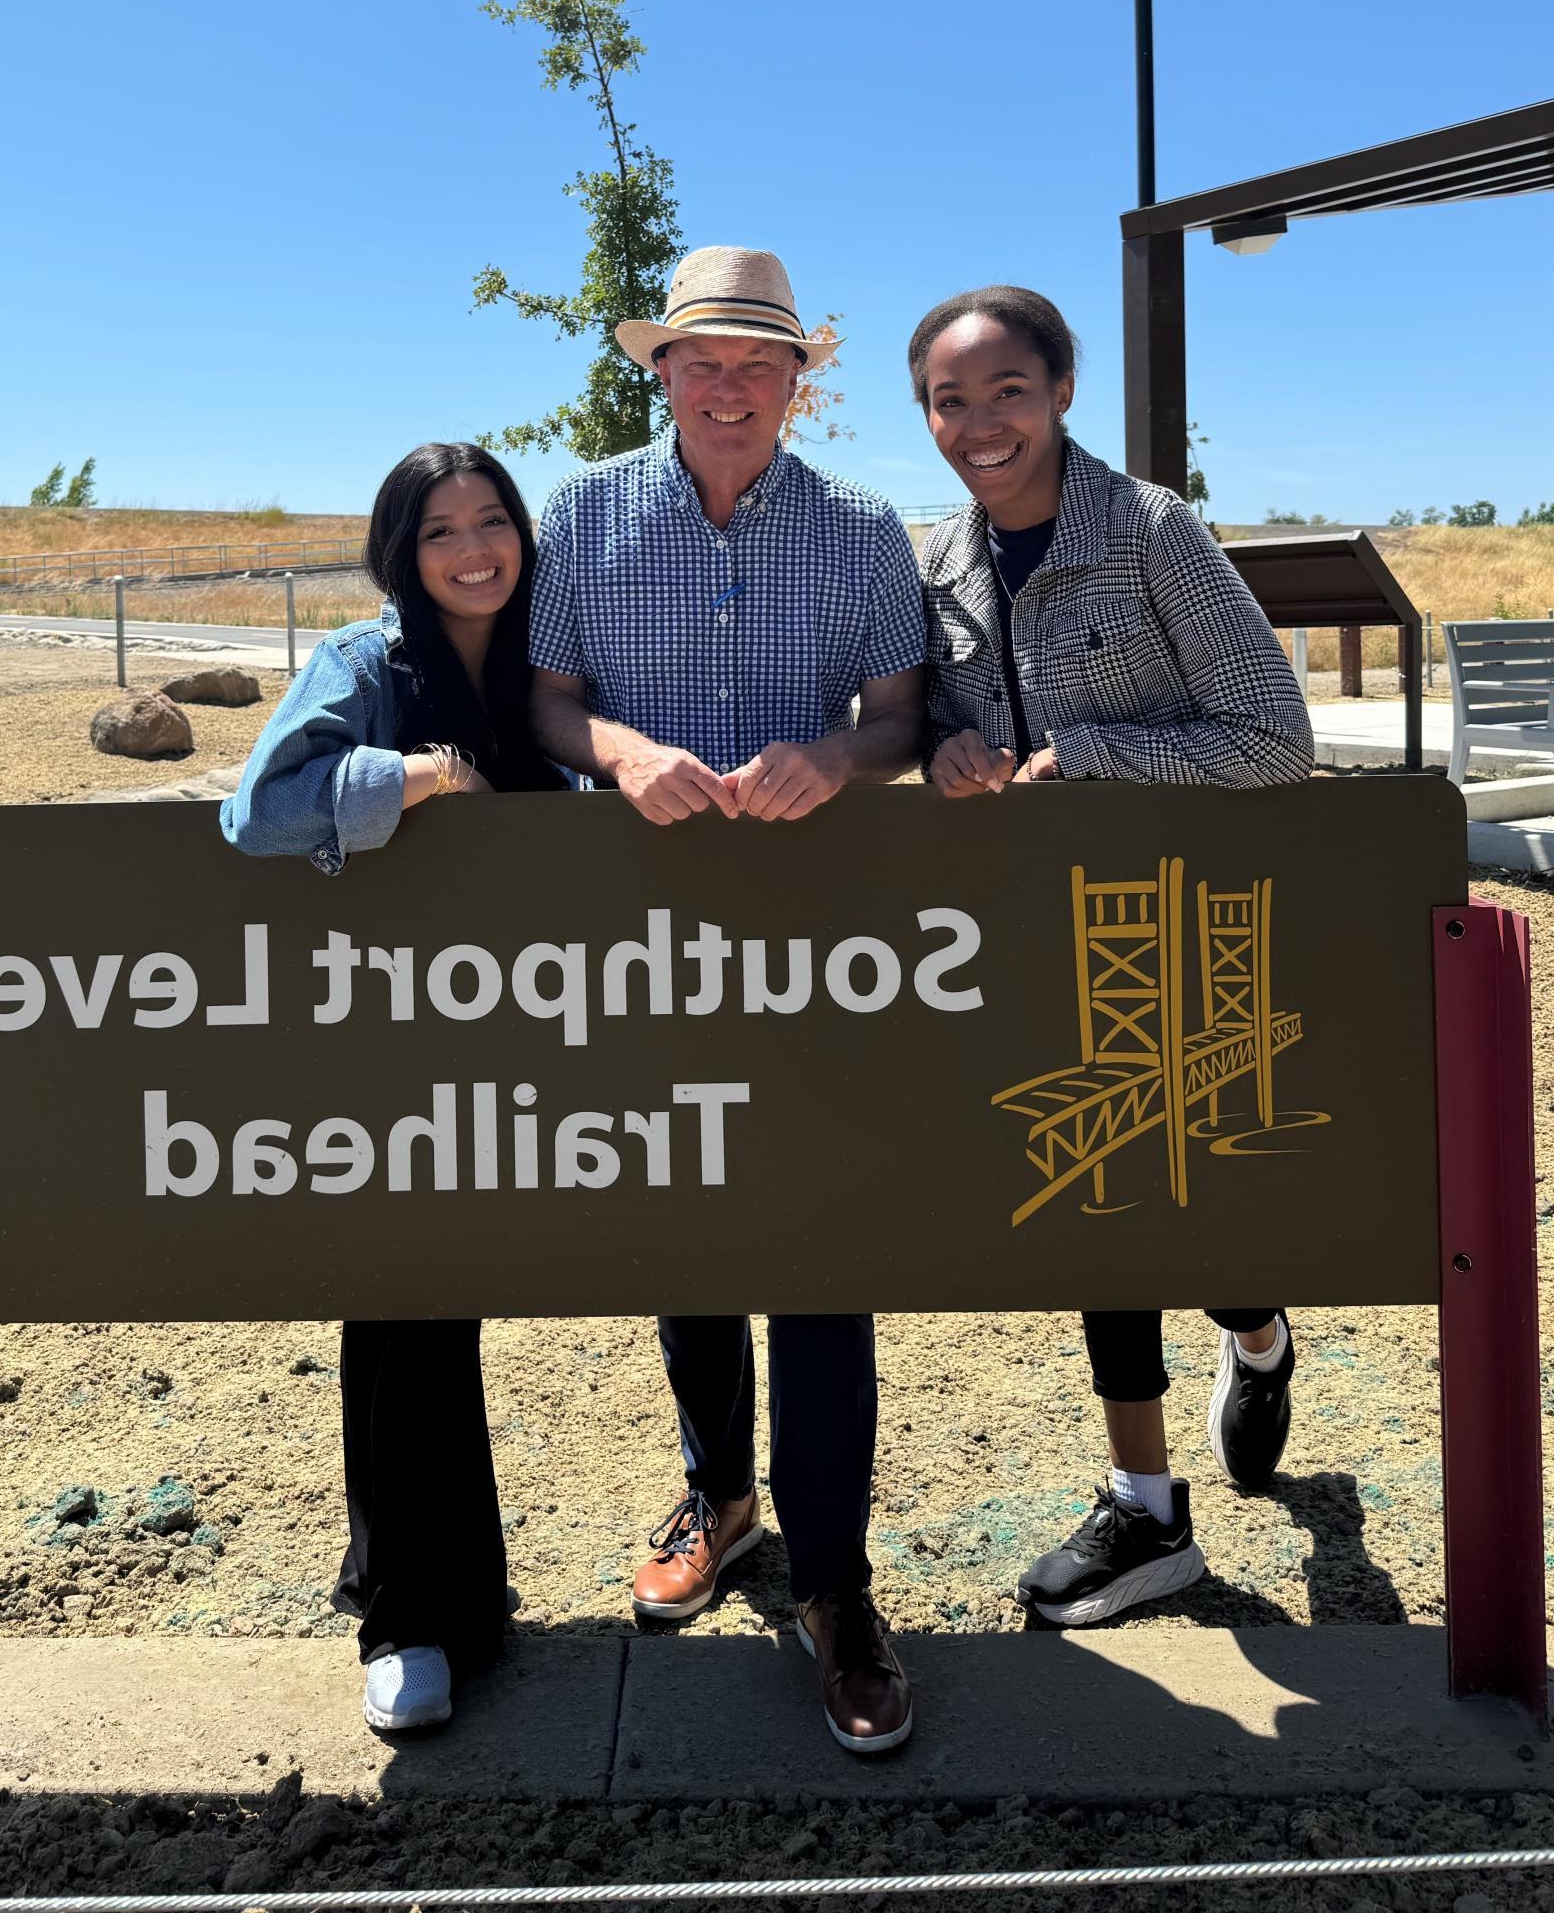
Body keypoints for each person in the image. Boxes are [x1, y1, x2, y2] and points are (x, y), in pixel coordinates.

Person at [529, 245, 926, 1755]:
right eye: (704, 360)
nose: (731, 387)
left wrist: (843, 758)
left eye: (762, 365)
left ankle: (836, 1582)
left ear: (798, 384)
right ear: (662, 370)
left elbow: (900, 714)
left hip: (812, 946)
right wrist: (621, 753)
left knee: (820, 1244)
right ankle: (724, 1499)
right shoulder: (581, 514)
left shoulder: (862, 530)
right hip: (633, 945)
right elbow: (545, 698)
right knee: (682, 1225)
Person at [907, 284, 1314, 1629]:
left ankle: (1256, 1333)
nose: (981, 424)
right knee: (1102, 1197)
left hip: (1184, 933)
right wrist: (941, 756)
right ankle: (1149, 1513)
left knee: (1188, 1208)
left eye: (1007, 391)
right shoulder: (937, 566)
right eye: (950, 401)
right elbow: (936, 734)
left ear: (1063, 389)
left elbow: (1274, 739)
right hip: (1041, 944)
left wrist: (1090, 759)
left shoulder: (1151, 532)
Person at [220, 443, 568, 1735]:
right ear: (400, 552)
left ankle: (467, 1599)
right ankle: (403, 1617)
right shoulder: (368, 667)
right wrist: (423, 776)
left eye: (492, 522)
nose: (472, 549)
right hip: (388, 1043)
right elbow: (257, 809)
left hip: (517, 1041)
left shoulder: (549, 667)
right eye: (439, 531)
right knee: (400, 1304)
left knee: (454, 1309)